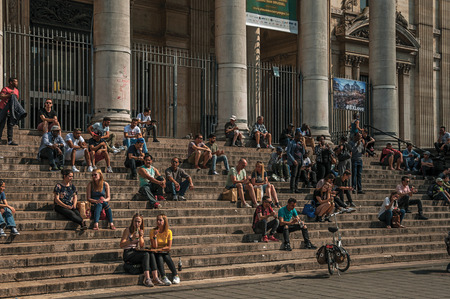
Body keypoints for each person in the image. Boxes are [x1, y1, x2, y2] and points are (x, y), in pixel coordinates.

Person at [120, 213, 160, 287]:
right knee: (145, 254)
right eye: (135, 221)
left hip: (135, 251)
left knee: (149, 252)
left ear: (141, 223)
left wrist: (141, 237)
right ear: (132, 221)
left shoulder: (140, 230)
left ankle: (155, 277)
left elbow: (142, 246)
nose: (137, 223)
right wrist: (131, 239)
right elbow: (121, 244)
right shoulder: (127, 230)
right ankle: (147, 278)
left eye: (139, 222)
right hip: (128, 253)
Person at [150, 214, 181, 285]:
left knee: (166, 256)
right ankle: (164, 277)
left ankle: (175, 275)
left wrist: (160, 249)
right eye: (157, 220)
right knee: (160, 257)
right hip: (156, 252)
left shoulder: (169, 232)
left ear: (164, 222)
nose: (158, 222)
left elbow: (169, 247)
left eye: (160, 220)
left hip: (164, 251)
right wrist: (154, 236)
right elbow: (154, 246)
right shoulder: (152, 231)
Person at [0, 77, 20, 146]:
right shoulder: (5, 89)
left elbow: (16, 100)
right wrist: (9, 95)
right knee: (1, 124)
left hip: (11, 110)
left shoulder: (16, 90)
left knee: (10, 125)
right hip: (3, 108)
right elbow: (1, 96)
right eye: (15, 81)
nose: (17, 83)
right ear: (11, 82)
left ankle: (10, 140)